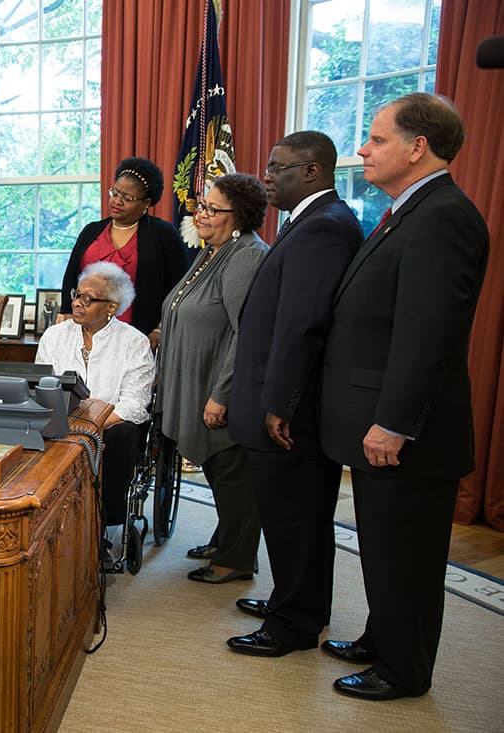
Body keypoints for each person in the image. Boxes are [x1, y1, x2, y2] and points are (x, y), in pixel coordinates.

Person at [319, 93, 489, 700]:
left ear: (418, 148)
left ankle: (403, 669)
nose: (362, 149)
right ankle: (380, 636)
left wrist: (393, 421)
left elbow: (427, 333)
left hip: (409, 432)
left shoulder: (443, 215)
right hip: (381, 422)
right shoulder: (407, 210)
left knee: (407, 558)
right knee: (384, 547)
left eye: (376, 138)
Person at [224, 132, 363, 658]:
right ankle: (293, 601)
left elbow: (303, 325)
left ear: (310, 171)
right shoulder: (308, 222)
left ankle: (293, 626)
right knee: (288, 517)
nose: (267, 176)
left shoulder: (324, 228)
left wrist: (280, 403)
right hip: (282, 399)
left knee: (296, 518)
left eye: (277, 168)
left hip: (289, 409)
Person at [155, 173, 269, 583]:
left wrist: (222, 394)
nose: (200, 214)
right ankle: (226, 538)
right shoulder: (214, 251)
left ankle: (237, 559)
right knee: (220, 472)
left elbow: (246, 332)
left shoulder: (246, 256)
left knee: (231, 472)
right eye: (201, 205)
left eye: (211, 209)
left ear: (238, 216)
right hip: (194, 379)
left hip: (219, 386)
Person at [36, 262, 154, 567]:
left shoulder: (134, 343)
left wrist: (88, 426)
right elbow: (39, 386)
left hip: (110, 429)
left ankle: (100, 528)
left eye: (88, 299)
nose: (77, 302)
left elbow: (134, 405)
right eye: (77, 295)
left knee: (124, 432)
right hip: (60, 424)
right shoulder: (55, 337)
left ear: (111, 307)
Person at [61, 157, 187, 350]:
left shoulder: (163, 235)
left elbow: (179, 287)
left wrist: (161, 329)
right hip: (86, 334)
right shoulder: (91, 231)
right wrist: (68, 317)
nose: (117, 201)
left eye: (127, 198)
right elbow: (70, 277)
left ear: (146, 203)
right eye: (115, 193)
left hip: (139, 336)